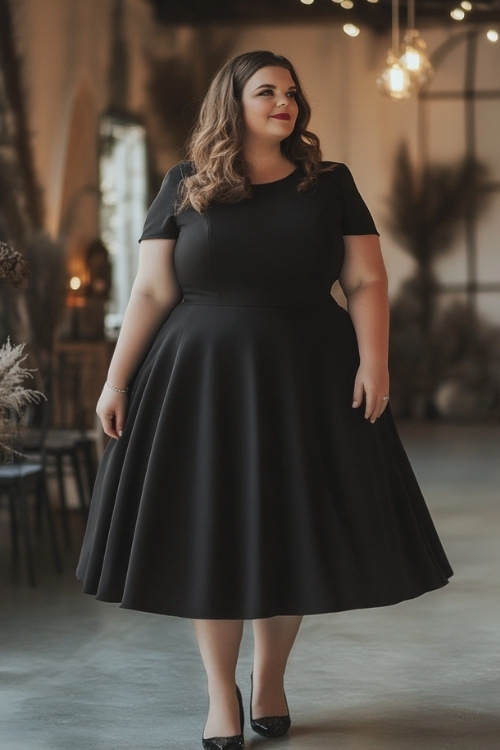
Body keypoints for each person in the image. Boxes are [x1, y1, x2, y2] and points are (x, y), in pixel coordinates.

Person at [77, 50, 453, 750]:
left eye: (291, 92)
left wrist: (376, 361)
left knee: (287, 531)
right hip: (198, 382)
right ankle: (222, 695)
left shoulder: (329, 183)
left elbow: (367, 280)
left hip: (307, 375)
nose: (284, 102)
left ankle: (272, 678)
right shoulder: (182, 184)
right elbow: (153, 291)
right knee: (211, 536)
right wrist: (116, 378)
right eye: (266, 92)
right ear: (233, 103)